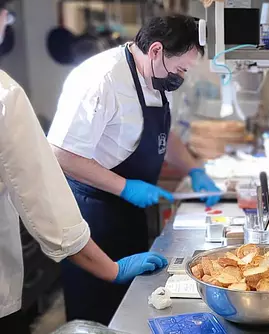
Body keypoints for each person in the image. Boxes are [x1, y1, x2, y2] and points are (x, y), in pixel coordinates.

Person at [0, 3, 168, 333]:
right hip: (93, 213)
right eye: (6, 14)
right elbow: (43, 197)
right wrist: (109, 269)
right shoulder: (5, 96)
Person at [47, 15, 221, 324]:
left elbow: (165, 135)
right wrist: (125, 186)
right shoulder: (101, 79)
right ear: (156, 50)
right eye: (180, 68)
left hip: (128, 213)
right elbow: (61, 154)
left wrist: (194, 169)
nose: (181, 77)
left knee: (133, 310)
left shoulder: (156, 76)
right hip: (93, 216)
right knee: (98, 315)